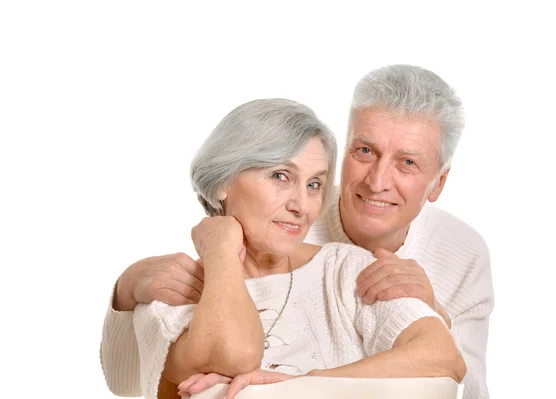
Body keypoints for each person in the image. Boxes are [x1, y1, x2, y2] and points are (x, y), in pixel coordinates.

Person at [101, 65, 493, 399]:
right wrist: (130, 285)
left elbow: (454, 370)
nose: (376, 182)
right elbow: (128, 378)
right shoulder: (181, 289)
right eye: (364, 151)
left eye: (313, 184)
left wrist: (296, 385)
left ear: (438, 183)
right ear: (224, 181)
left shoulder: (354, 266)